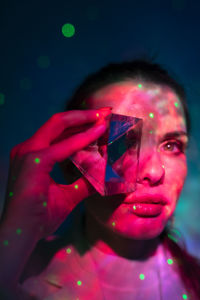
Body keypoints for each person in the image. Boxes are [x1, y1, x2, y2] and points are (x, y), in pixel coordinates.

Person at [0, 58, 200, 300]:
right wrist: (13, 238)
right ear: (70, 162)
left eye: (171, 145)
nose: (155, 171)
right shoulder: (23, 277)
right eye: (122, 142)